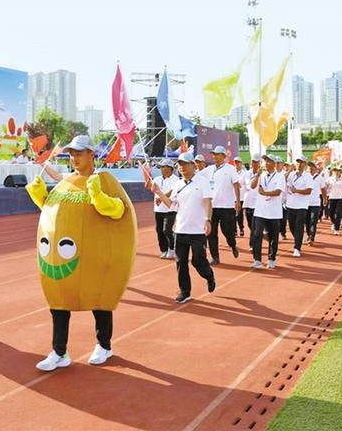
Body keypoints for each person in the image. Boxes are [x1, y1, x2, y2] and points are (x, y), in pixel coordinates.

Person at [26, 134, 136, 370]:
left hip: (95, 255)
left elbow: (118, 210)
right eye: (72, 153)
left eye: (79, 152)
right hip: (66, 256)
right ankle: (59, 351)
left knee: (99, 299)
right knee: (59, 300)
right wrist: (41, 197)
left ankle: (104, 345)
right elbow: (55, 212)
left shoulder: (103, 180)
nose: (74, 157)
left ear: (91, 154)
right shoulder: (67, 182)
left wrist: (98, 196)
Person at [152, 152, 216, 302]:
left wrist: (208, 220)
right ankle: (185, 292)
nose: (181, 167)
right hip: (180, 230)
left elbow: (207, 202)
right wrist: (159, 193)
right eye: (179, 164)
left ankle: (209, 276)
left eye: (184, 164)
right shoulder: (178, 184)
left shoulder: (203, 182)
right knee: (181, 262)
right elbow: (171, 205)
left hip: (197, 230)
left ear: (193, 165)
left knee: (198, 261)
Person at [199, 146, 241, 264]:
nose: (214, 156)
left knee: (227, 231)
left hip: (226, 206)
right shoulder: (209, 169)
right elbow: (196, 176)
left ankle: (232, 245)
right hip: (212, 207)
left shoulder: (230, 169)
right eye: (213, 154)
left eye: (217, 154)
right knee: (211, 233)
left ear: (223, 155)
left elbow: (236, 185)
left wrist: (237, 201)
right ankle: (215, 257)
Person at [249, 155, 286, 269]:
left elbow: (278, 192)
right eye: (265, 161)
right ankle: (257, 259)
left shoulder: (280, 176)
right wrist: (257, 175)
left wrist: (265, 193)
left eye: (269, 161)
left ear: (274, 164)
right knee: (257, 234)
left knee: (273, 236)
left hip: (274, 212)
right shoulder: (261, 175)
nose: (267, 163)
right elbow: (252, 185)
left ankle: (271, 259)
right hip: (260, 210)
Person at [285, 156, 313, 258]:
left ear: (305, 164)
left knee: (298, 226)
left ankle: (297, 248)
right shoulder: (291, 174)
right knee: (292, 226)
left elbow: (309, 190)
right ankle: (298, 239)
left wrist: (297, 191)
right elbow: (282, 179)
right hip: (290, 204)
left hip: (302, 205)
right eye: (297, 162)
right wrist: (289, 170)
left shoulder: (308, 176)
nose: (299, 164)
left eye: (301, 162)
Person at [150, 159, 178, 259]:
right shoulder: (157, 179)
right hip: (158, 209)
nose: (162, 169)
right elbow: (152, 189)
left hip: (170, 209)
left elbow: (172, 191)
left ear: (169, 168)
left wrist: (161, 198)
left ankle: (172, 248)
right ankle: (164, 250)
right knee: (159, 230)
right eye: (161, 167)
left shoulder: (176, 179)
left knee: (167, 230)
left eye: (163, 166)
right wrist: (151, 187)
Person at [242, 154, 262, 250]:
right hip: (247, 202)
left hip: (258, 204)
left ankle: (252, 245)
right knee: (250, 225)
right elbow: (242, 186)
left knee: (254, 226)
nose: (254, 164)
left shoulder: (263, 174)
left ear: (260, 163)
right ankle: (257, 237)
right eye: (253, 161)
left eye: (257, 162)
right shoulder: (246, 174)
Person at [305, 161, 327, 246]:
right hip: (305, 203)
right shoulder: (305, 177)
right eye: (309, 167)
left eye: (312, 167)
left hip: (315, 203)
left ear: (316, 168)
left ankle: (311, 238)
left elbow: (323, 189)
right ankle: (308, 235)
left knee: (313, 221)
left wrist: (325, 199)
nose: (310, 168)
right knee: (307, 222)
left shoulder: (319, 178)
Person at [326, 166, 342, 235]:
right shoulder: (329, 179)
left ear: (340, 172)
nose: (336, 172)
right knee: (331, 213)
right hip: (332, 198)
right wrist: (325, 194)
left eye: (338, 171)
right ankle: (334, 223)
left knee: (339, 213)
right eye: (335, 171)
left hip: (340, 198)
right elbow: (325, 187)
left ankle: (337, 229)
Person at [232, 156, 248, 236]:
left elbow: (246, 184)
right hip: (232, 197)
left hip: (241, 197)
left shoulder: (245, 173)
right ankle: (234, 230)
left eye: (238, 162)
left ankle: (241, 228)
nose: (236, 164)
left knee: (239, 215)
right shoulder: (232, 172)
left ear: (241, 163)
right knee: (232, 215)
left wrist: (239, 185)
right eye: (235, 162)